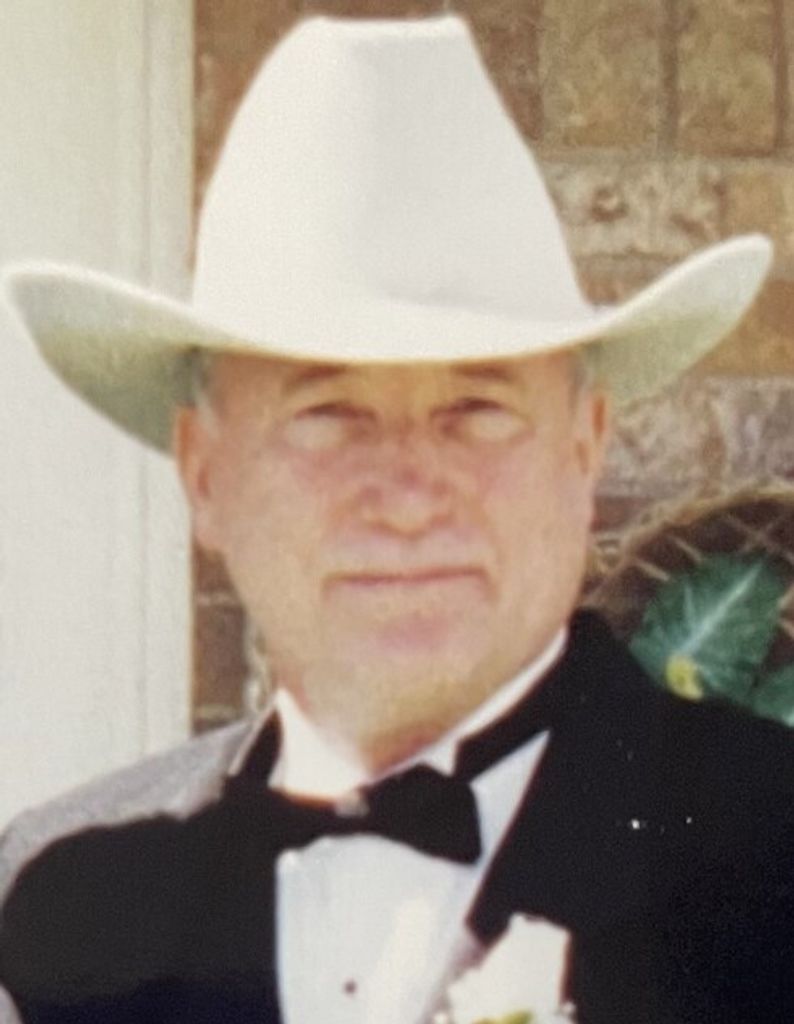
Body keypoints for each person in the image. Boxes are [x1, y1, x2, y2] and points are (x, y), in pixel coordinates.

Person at [0, 14, 790, 1024]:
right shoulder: (56, 907)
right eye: (328, 414)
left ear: (583, 449)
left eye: (478, 409)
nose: (410, 493)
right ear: (204, 473)